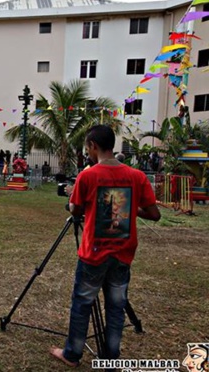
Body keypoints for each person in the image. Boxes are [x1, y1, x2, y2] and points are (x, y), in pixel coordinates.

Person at [50, 125, 161, 367]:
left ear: (93, 146)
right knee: (116, 307)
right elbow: (154, 214)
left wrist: (73, 201)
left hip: (94, 253)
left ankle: (72, 354)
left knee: (82, 304)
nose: (87, 152)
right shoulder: (137, 176)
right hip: (124, 253)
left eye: (87, 148)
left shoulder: (87, 176)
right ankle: (111, 356)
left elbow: (76, 209)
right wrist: (128, 209)